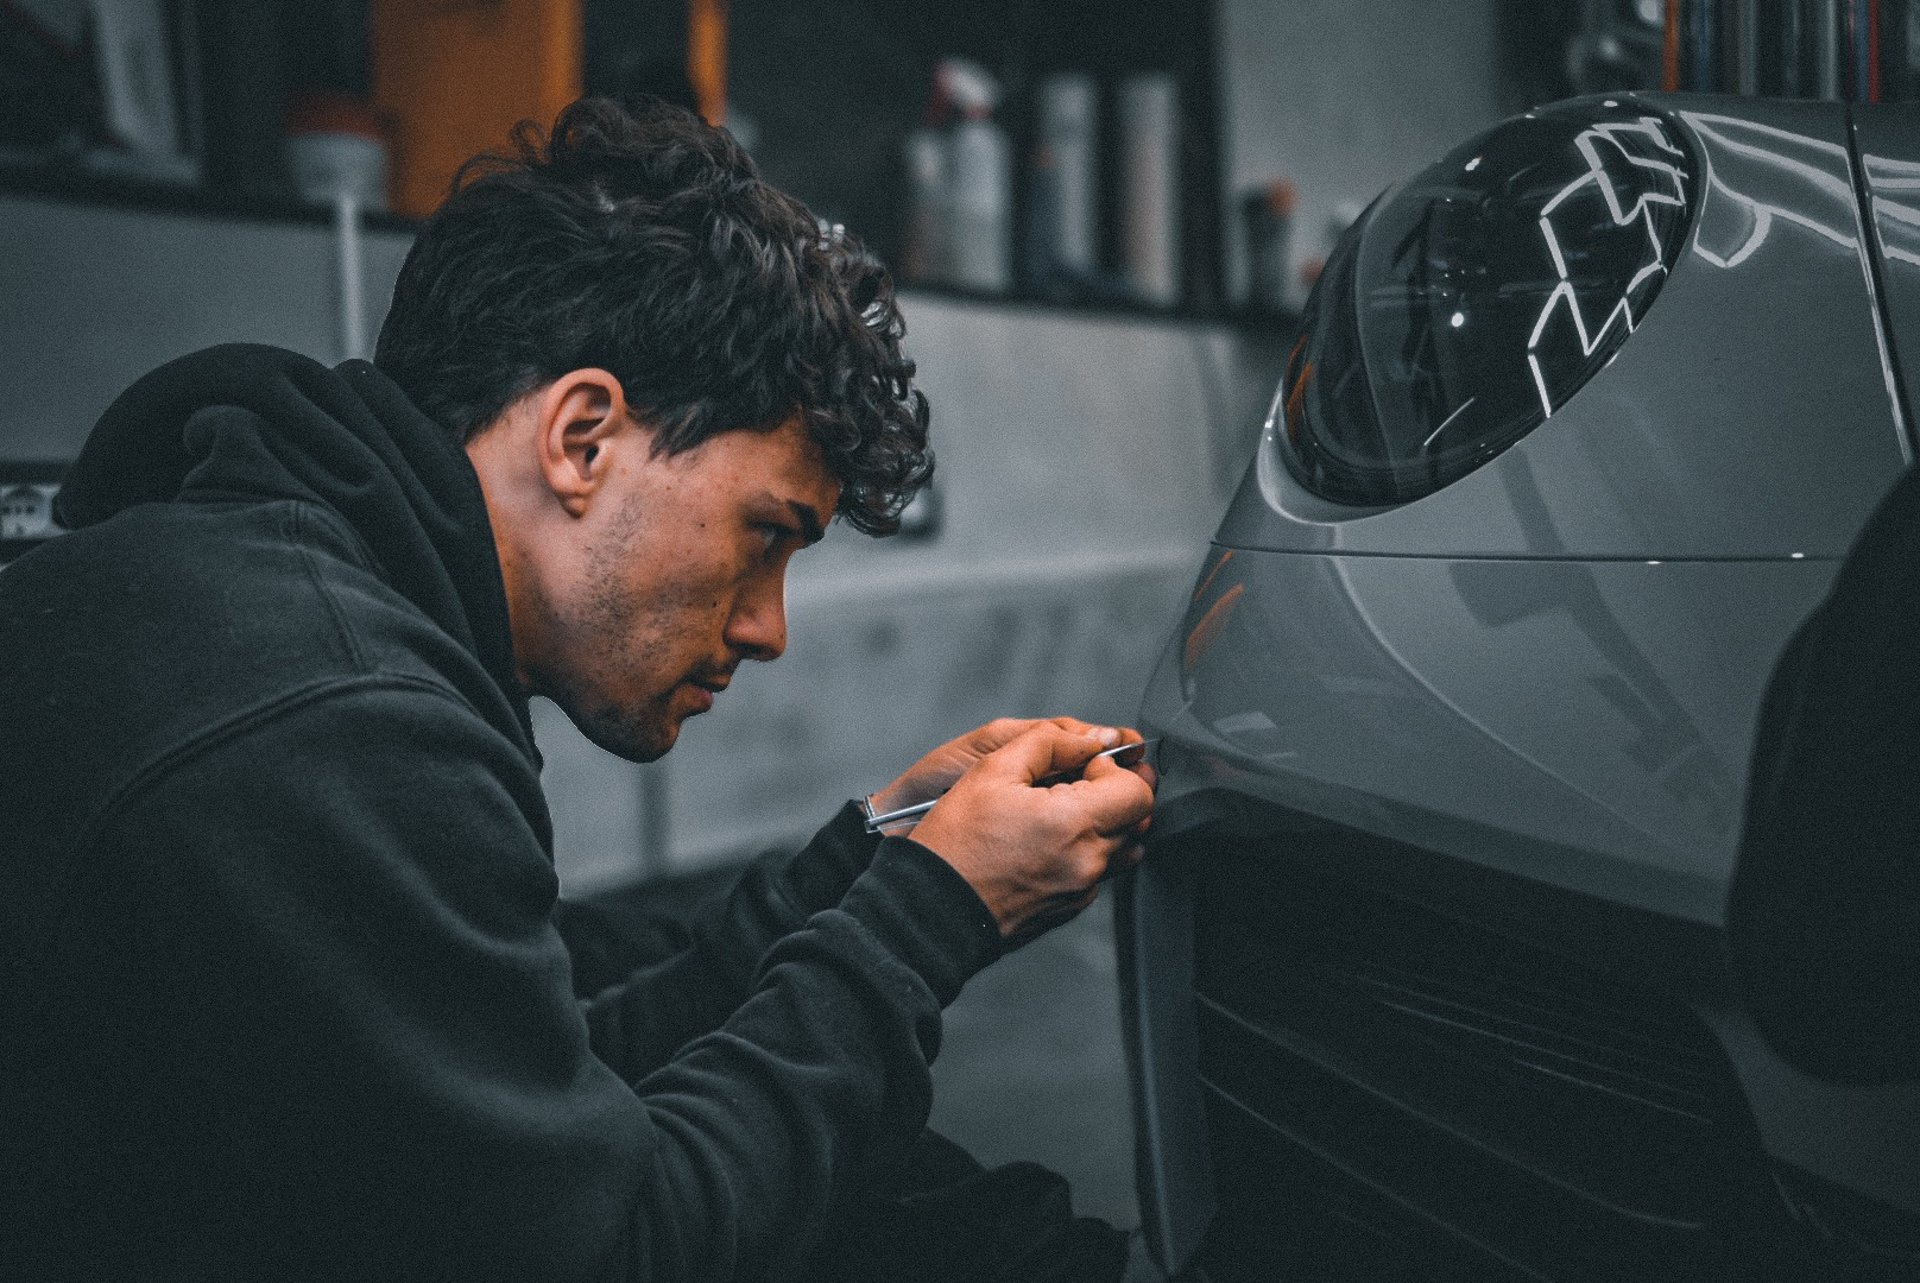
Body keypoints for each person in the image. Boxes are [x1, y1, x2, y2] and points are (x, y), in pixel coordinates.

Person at [0, 98, 1156, 1280]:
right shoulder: (333, 720)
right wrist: (925, 918)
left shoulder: (286, 605)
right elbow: (614, 1247)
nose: (768, 629)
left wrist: (859, 866)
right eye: (764, 535)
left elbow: (521, 1106)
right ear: (582, 437)